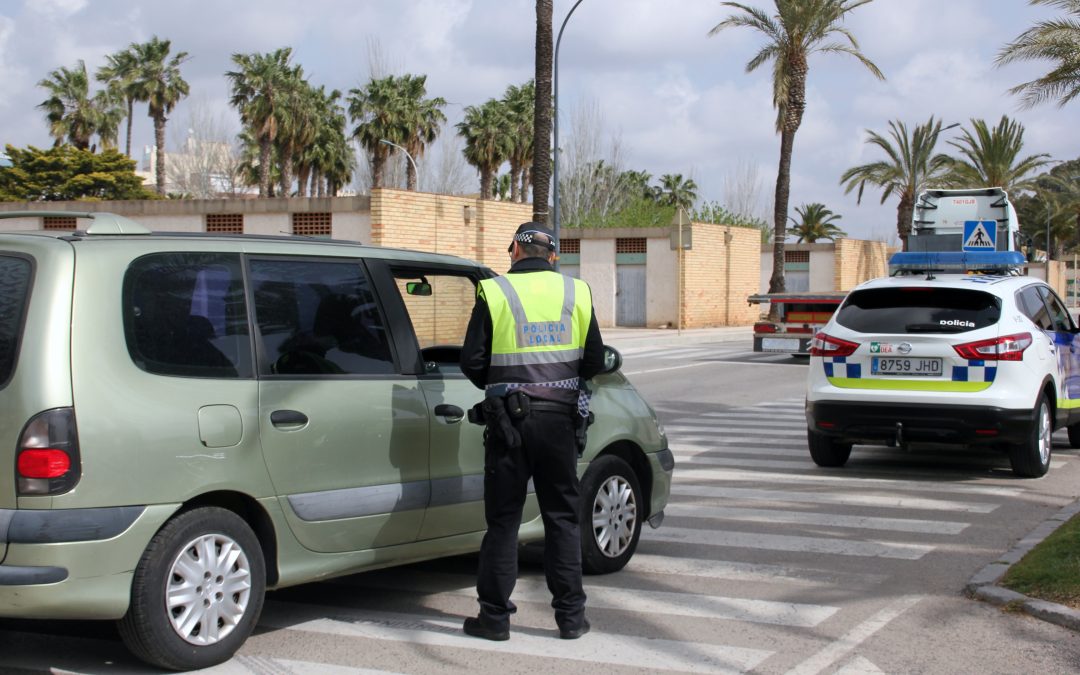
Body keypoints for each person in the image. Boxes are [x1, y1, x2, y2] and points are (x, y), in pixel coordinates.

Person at [460, 221, 604, 641]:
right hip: (560, 421)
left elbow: (472, 362)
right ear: (553, 256)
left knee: (503, 522)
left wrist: (505, 386)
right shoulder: (577, 292)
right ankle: (571, 620)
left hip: (508, 423)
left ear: (515, 252)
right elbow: (593, 360)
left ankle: (494, 619)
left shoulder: (495, 290)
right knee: (561, 518)